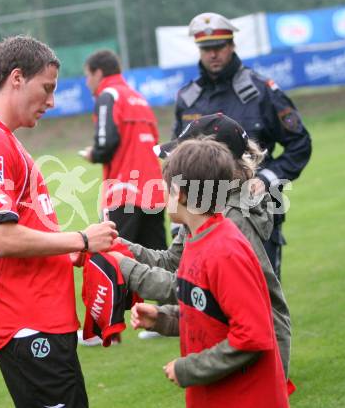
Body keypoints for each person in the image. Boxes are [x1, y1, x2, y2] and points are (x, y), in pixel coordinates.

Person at [0, 35, 117, 408]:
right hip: (26, 321)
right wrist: (81, 240)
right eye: (47, 88)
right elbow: (3, 238)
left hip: (38, 318)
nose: (52, 101)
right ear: (16, 78)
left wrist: (64, 252)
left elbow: (21, 227)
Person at [112, 113, 291, 378]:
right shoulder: (203, 211)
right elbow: (175, 262)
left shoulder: (231, 222)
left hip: (253, 357)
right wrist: (117, 245)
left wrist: (126, 268)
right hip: (227, 343)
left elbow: (197, 287)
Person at [172, 12, 312, 279]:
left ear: (232, 44)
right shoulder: (188, 99)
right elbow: (177, 160)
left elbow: (300, 143)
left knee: (263, 302)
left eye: (219, 46)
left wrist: (267, 178)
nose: (213, 54)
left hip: (254, 213)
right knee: (208, 307)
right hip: (201, 217)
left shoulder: (261, 91)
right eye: (206, 48)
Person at [81, 49, 167, 251]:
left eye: (88, 76)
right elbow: (154, 142)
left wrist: (93, 154)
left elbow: (105, 145)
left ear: (98, 73)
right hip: (152, 191)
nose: (87, 82)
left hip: (124, 191)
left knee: (115, 258)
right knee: (156, 262)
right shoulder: (140, 99)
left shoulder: (108, 95)